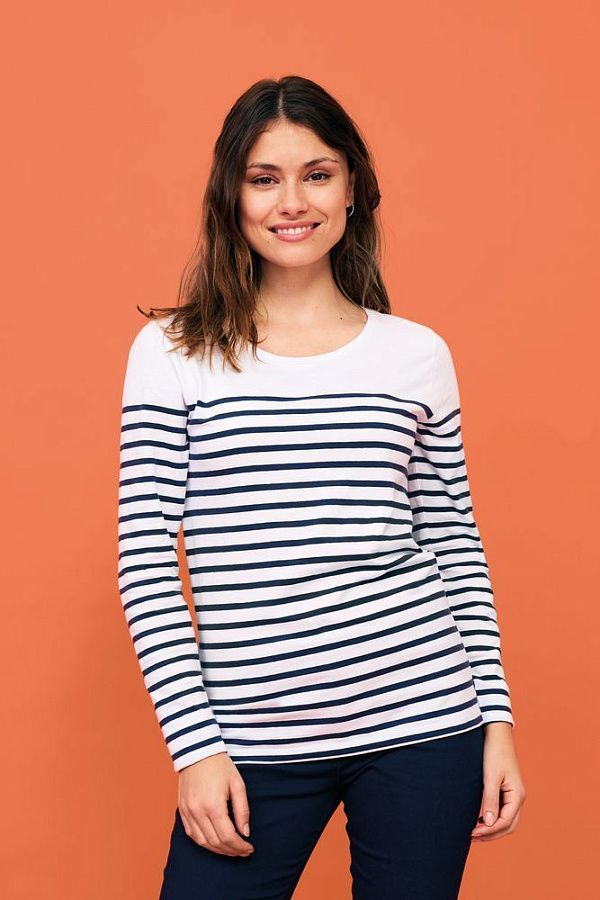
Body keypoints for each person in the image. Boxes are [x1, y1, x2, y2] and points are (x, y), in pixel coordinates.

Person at [117, 75, 526, 900]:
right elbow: (146, 562)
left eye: (317, 174)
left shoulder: (416, 355)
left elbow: (453, 544)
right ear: (232, 195)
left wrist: (497, 720)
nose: (292, 202)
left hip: (425, 722)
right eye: (264, 178)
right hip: (250, 742)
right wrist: (196, 749)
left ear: (352, 189)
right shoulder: (173, 352)